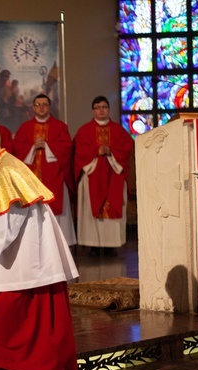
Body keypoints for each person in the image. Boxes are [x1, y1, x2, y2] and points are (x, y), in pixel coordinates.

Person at [0, 116, 85, 370]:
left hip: (29, 257)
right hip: (26, 256)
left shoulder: (6, 171)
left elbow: (8, 226)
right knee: (23, 315)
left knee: (10, 313)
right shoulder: (6, 165)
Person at [73, 96, 134, 257]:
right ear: (93, 110)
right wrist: (95, 151)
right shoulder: (84, 130)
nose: (101, 110)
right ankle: (93, 245)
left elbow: (127, 147)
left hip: (114, 175)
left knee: (113, 205)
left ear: (108, 109)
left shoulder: (119, 130)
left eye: (104, 107)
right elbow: (79, 150)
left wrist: (111, 151)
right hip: (92, 175)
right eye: (98, 107)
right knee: (91, 208)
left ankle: (110, 246)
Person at [13, 94, 77, 246]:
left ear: (49, 107)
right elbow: (17, 149)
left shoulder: (60, 127)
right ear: (33, 107)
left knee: (57, 209)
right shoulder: (25, 128)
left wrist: (47, 146)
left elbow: (66, 147)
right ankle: (33, 244)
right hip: (31, 178)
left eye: (44, 104)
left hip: (54, 177)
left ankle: (60, 244)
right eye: (38, 104)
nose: (41, 107)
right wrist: (33, 147)